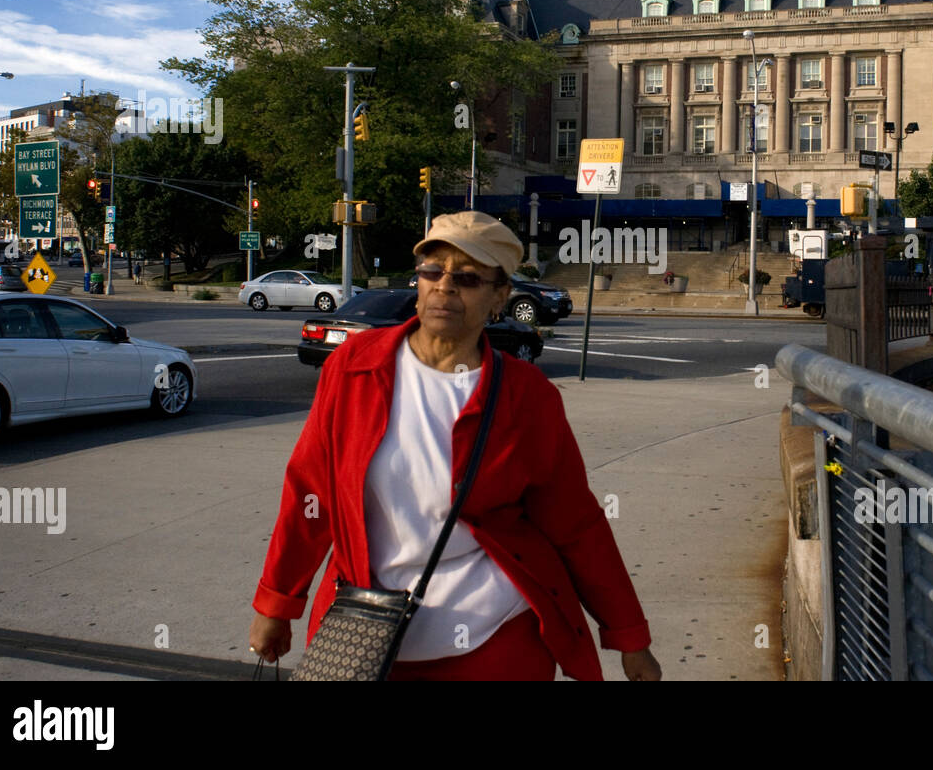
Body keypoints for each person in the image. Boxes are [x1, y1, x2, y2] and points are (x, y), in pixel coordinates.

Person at [249, 211, 661, 681]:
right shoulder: (353, 369)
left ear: (499, 296)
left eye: (467, 277)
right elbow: (310, 495)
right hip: (366, 635)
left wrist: (629, 636)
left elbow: (575, 524)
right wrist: (277, 602)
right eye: (433, 270)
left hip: (497, 638)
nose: (445, 286)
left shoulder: (527, 396)